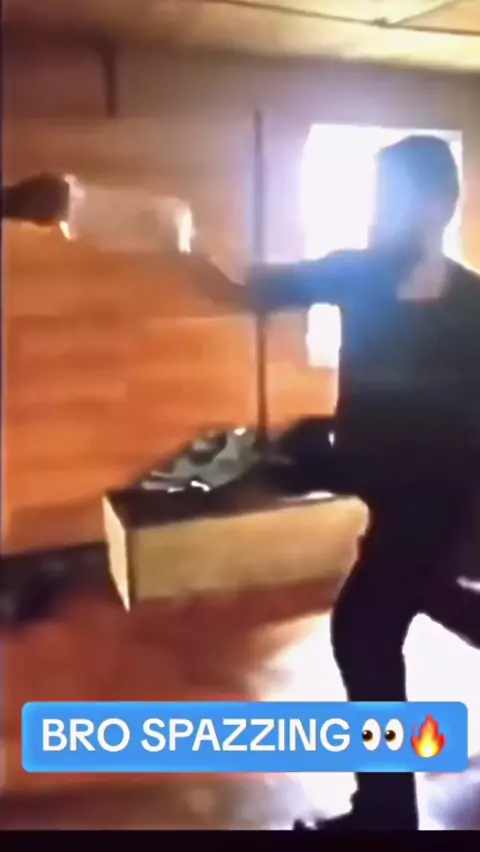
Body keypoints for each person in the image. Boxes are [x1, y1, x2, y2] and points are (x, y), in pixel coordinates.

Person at [204, 135, 480, 830]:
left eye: (396, 198)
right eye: (378, 198)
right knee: (394, 618)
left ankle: (386, 813)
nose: (382, 213)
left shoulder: (475, 305)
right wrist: (170, 243)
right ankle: (386, 810)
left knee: (363, 630)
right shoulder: (359, 275)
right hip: (390, 502)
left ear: (442, 203)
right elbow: (247, 289)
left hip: (442, 510)